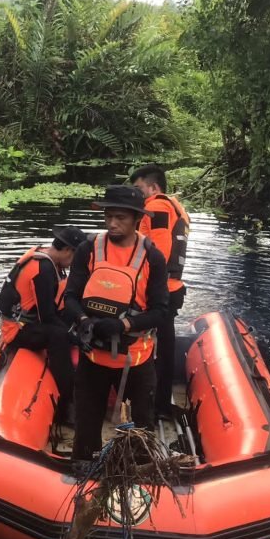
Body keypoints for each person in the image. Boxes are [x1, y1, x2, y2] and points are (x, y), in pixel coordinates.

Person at [63, 186, 168, 460]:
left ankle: (140, 472)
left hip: (135, 361)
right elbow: (71, 296)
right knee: (86, 427)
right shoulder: (88, 250)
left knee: (141, 429)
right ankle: (85, 470)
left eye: (120, 217)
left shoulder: (152, 258)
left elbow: (160, 312)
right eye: (108, 216)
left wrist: (124, 326)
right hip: (93, 359)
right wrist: (84, 320)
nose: (112, 223)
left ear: (136, 219)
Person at [0, 226, 87, 422]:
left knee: (72, 316)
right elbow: (47, 317)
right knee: (58, 336)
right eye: (76, 257)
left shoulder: (47, 258)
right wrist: (73, 337)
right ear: (69, 251)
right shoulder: (43, 269)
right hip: (18, 331)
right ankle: (67, 404)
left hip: (34, 321)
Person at [130, 165, 190, 418]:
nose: (137, 195)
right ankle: (162, 402)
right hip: (171, 287)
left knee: (157, 347)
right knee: (164, 345)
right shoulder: (174, 205)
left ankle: (158, 404)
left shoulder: (156, 207)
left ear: (153, 187)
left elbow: (159, 252)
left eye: (138, 189)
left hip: (159, 290)